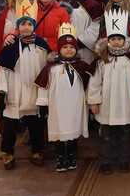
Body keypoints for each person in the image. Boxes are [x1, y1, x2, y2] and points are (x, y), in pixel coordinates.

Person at [87, 9, 130, 174]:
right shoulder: (102, 61)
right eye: (113, 39)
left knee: (124, 135)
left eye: (119, 38)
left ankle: (124, 160)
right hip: (107, 105)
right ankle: (106, 161)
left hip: (124, 105)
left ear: (125, 40)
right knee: (106, 135)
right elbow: (95, 83)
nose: (117, 42)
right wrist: (94, 102)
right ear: (108, 41)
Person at [0, 15, 50, 170]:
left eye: (29, 24)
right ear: (17, 28)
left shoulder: (41, 46)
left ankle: (37, 151)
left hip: (34, 89)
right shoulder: (11, 46)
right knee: (9, 125)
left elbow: (47, 68)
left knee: (36, 124)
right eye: (23, 24)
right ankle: (7, 153)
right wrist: (2, 88)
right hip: (15, 89)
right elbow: (3, 68)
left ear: (34, 27)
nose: (26, 27)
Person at [35, 23, 90, 172]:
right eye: (65, 47)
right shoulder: (51, 68)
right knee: (59, 131)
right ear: (59, 49)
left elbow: (88, 85)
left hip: (75, 105)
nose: (69, 49)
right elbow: (43, 86)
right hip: (58, 106)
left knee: (73, 130)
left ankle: (72, 155)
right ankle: (60, 157)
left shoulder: (82, 66)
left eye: (72, 47)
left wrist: (90, 102)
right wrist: (42, 104)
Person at [60, 0, 104, 64]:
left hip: (85, 48)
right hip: (65, 48)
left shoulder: (93, 5)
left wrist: (79, 42)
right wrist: (67, 43)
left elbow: (95, 27)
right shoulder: (62, 3)